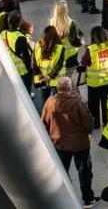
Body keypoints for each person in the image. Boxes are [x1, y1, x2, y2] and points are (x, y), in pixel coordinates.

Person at [40, 77, 95, 206]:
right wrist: (89, 131)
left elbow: (44, 122)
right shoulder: (78, 103)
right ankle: (87, 199)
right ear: (70, 89)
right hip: (80, 144)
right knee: (84, 172)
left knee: (62, 173)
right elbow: (88, 123)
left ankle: (66, 199)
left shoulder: (49, 102)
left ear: (58, 88)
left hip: (59, 144)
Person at [80, 26, 108, 130]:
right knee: (107, 103)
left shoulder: (90, 50)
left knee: (93, 105)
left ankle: (95, 124)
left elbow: (84, 62)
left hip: (94, 83)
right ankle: (107, 121)